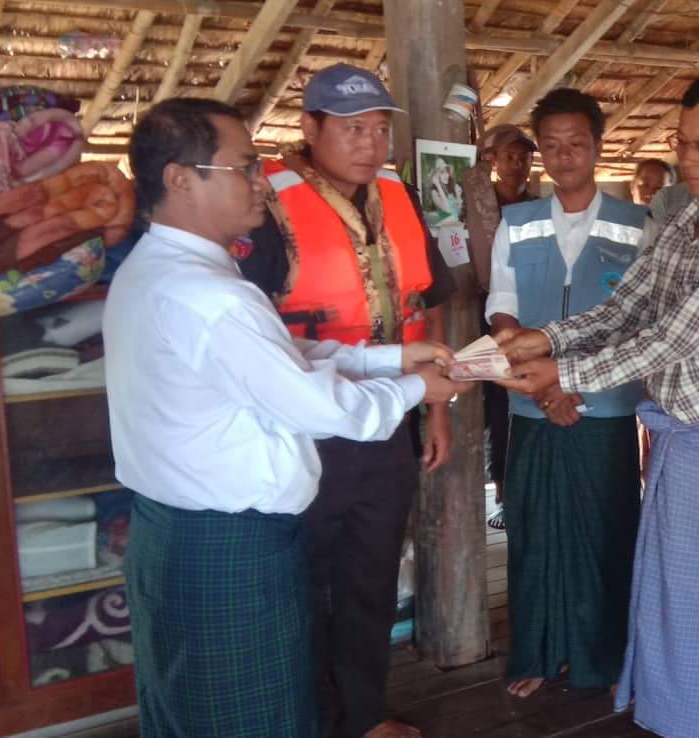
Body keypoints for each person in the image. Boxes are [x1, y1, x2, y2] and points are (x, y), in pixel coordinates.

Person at [107, 97, 464, 738]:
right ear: (180, 179)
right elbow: (321, 407)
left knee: (196, 712)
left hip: (181, 531)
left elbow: (282, 357)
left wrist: (389, 357)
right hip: (228, 545)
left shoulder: (160, 271)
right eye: (243, 167)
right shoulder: (210, 296)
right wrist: (416, 388)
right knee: (251, 718)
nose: (259, 181)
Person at [494, 71, 699, 738]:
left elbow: (672, 337)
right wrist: (545, 337)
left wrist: (563, 371)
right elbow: (625, 307)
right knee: (675, 586)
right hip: (681, 433)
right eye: (682, 143)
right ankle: (676, 714)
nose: (689, 159)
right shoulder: (683, 221)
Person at [236, 64, 452, 738]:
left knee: (371, 577)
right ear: (310, 127)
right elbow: (248, 330)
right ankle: (303, 717)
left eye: (379, 129)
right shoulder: (266, 203)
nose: (370, 143)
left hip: (391, 420)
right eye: (353, 128)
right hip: (305, 428)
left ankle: (364, 717)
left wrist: (437, 410)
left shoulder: (398, 194)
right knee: (298, 582)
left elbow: (427, 305)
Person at [485, 89, 650, 698]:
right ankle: (537, 652)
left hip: (603, 406)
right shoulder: (516, 223)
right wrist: (543, 383)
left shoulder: (638, 225)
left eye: (576, 143)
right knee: (534, 531)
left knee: (604, 533)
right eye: (551, 145)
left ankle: (600, 659)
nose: (564, 155)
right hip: (530, 404)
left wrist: (567, 381)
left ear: (598, 146)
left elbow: (641, 321)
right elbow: (501, 307)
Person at [461, 123, 539, 531]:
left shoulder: (538, 207)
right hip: (480, 312)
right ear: (493, 160)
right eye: (510, 156)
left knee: (520, 398)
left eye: (524, 157)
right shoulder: (476, 205)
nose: (518, 164)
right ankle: (502, 495)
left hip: (527, 313)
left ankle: (522, 492)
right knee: (491, 404)